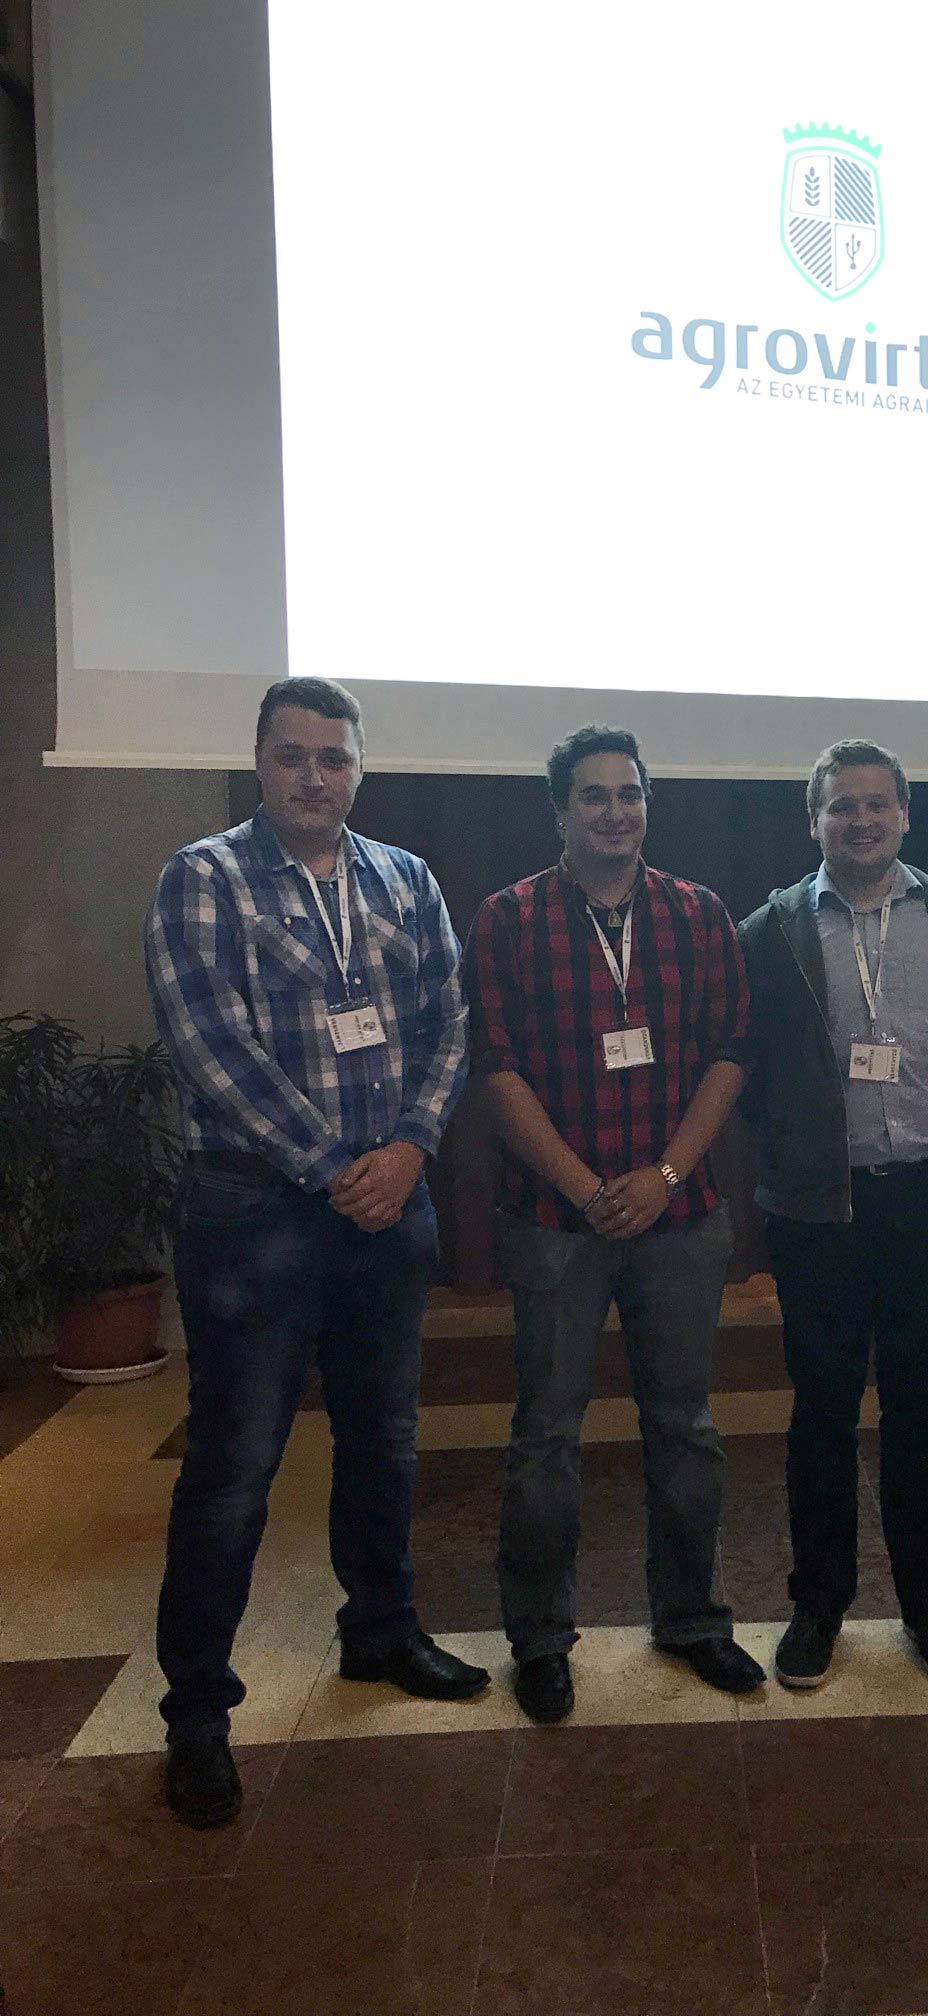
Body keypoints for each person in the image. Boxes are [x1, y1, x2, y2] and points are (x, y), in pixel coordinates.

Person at [144, 676, 482, 1830]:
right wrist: (343, 1169)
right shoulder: (204, 877)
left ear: (359, 768)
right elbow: (209, 1048)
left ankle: (379, 1632)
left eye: (334, 758)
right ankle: (198, 1710)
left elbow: (449, 1022)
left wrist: (413, 1147)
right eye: (292, 756)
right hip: (257, 1215)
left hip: (390, 1200)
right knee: (234, 1467)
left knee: (384, 1439)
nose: (314, 777)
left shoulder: (405, 879)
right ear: (258, 762)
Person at [463, 724, 764, 1723]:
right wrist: (589, 1188)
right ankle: (541, 1639)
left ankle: (692, 1619)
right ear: (559, 811)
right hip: (555, 1223)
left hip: (681, 1218)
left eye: (629, 794)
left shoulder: (699, 914)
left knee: (686, 1430)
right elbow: (494, 1068)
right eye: (592, 796)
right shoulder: (508, 920)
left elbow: (731, 1051)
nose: (614, 811)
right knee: (546, 1438)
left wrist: (666, 1176)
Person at [738, 740, 928, 1689]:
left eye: (877, 804)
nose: (861, 820)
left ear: (905, 814)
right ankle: (817, 1606)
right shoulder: (770, 931)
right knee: (820, 1415)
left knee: (920, 1414)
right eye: (841, 806)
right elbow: (748, 1072)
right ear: (812, 821)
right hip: (821, 1212)